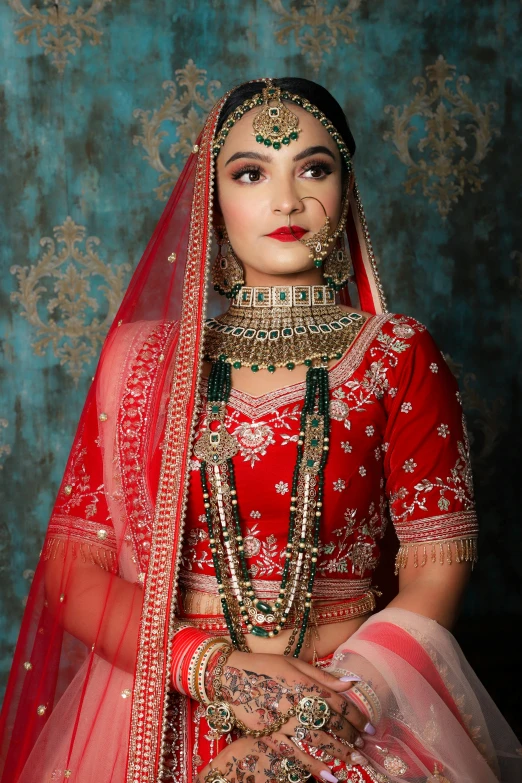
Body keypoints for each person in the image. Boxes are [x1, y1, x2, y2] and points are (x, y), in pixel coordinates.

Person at [0, 77, 519, 783]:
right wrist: (228, 674)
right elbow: (72, 572)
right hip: (160, 708)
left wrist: (325, 716)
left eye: (314, 168)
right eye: (251, 173)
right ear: (212, 201)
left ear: (345, 190)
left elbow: (436, 567)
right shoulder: (143, 362)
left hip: (347, 706)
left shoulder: (397, 353)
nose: (287, 200)